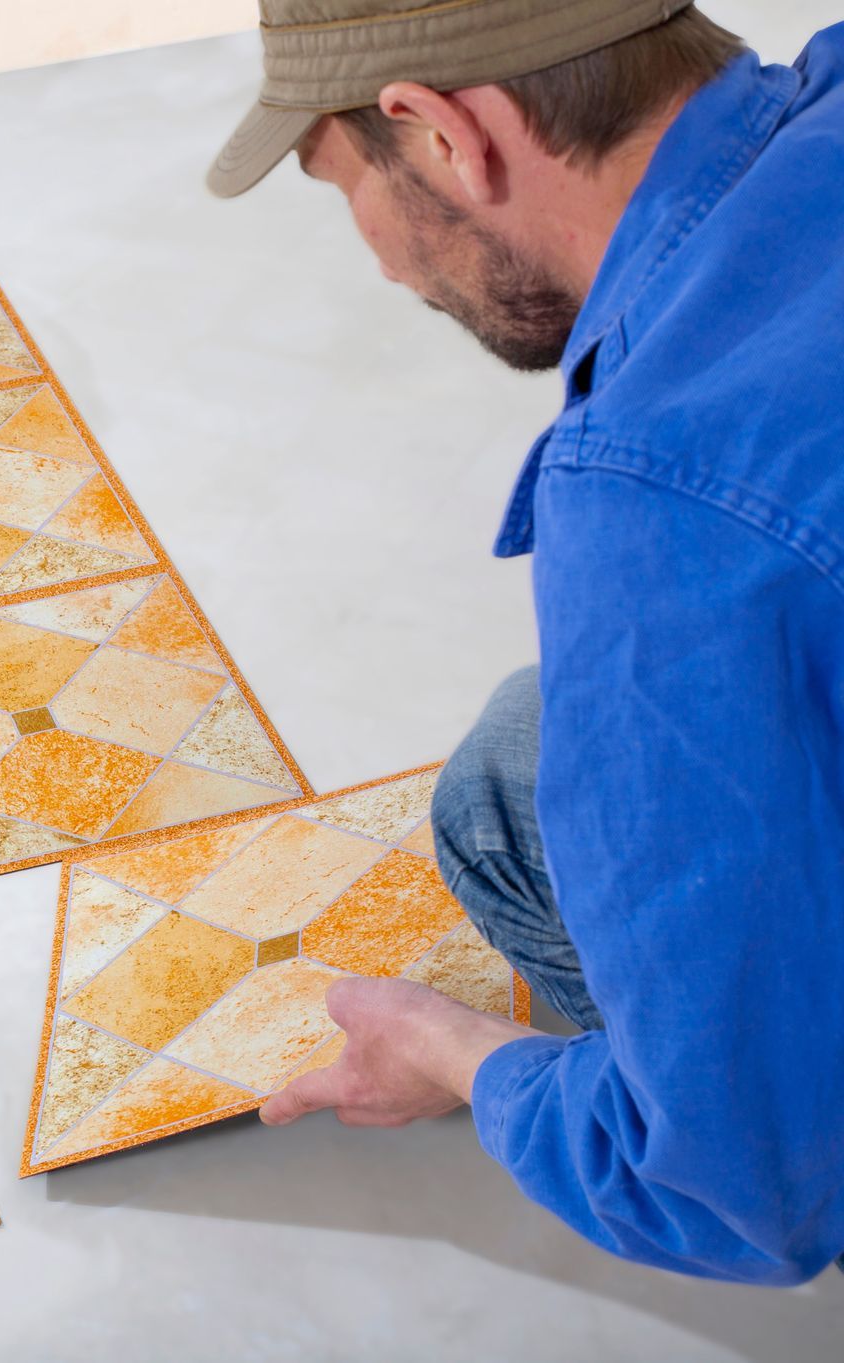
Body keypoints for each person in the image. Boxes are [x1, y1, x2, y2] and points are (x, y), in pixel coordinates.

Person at [217, 0, 844, 1284]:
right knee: (527, 748)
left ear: (445, 134)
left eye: (347, 188)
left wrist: (462, 1055)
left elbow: (738, 1196)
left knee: (504, 811)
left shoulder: (661, 490)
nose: (387, 265)